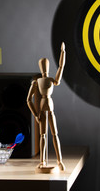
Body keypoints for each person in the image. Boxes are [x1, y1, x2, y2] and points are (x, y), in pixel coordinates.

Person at [27, 43, 66, 172]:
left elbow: (60, 69)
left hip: (50, 108)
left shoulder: (50, 79)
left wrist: (63, 53)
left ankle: (59, 161)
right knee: (43, 135)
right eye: (43, 66)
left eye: (46, 65)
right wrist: (35, 114)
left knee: (55, 134)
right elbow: (28, 100)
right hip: (43, 110)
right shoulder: (36, 82)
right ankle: (42, 160)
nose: (45, 68)